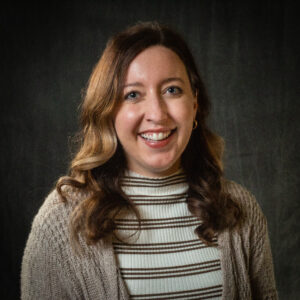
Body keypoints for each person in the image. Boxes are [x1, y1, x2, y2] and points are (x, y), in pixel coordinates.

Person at [21, 21, 278, 300]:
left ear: (194, 103)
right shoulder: (60, 223)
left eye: (172, 90)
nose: (157, 113)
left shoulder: (241, 211)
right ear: (108, 113)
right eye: (133, 94)